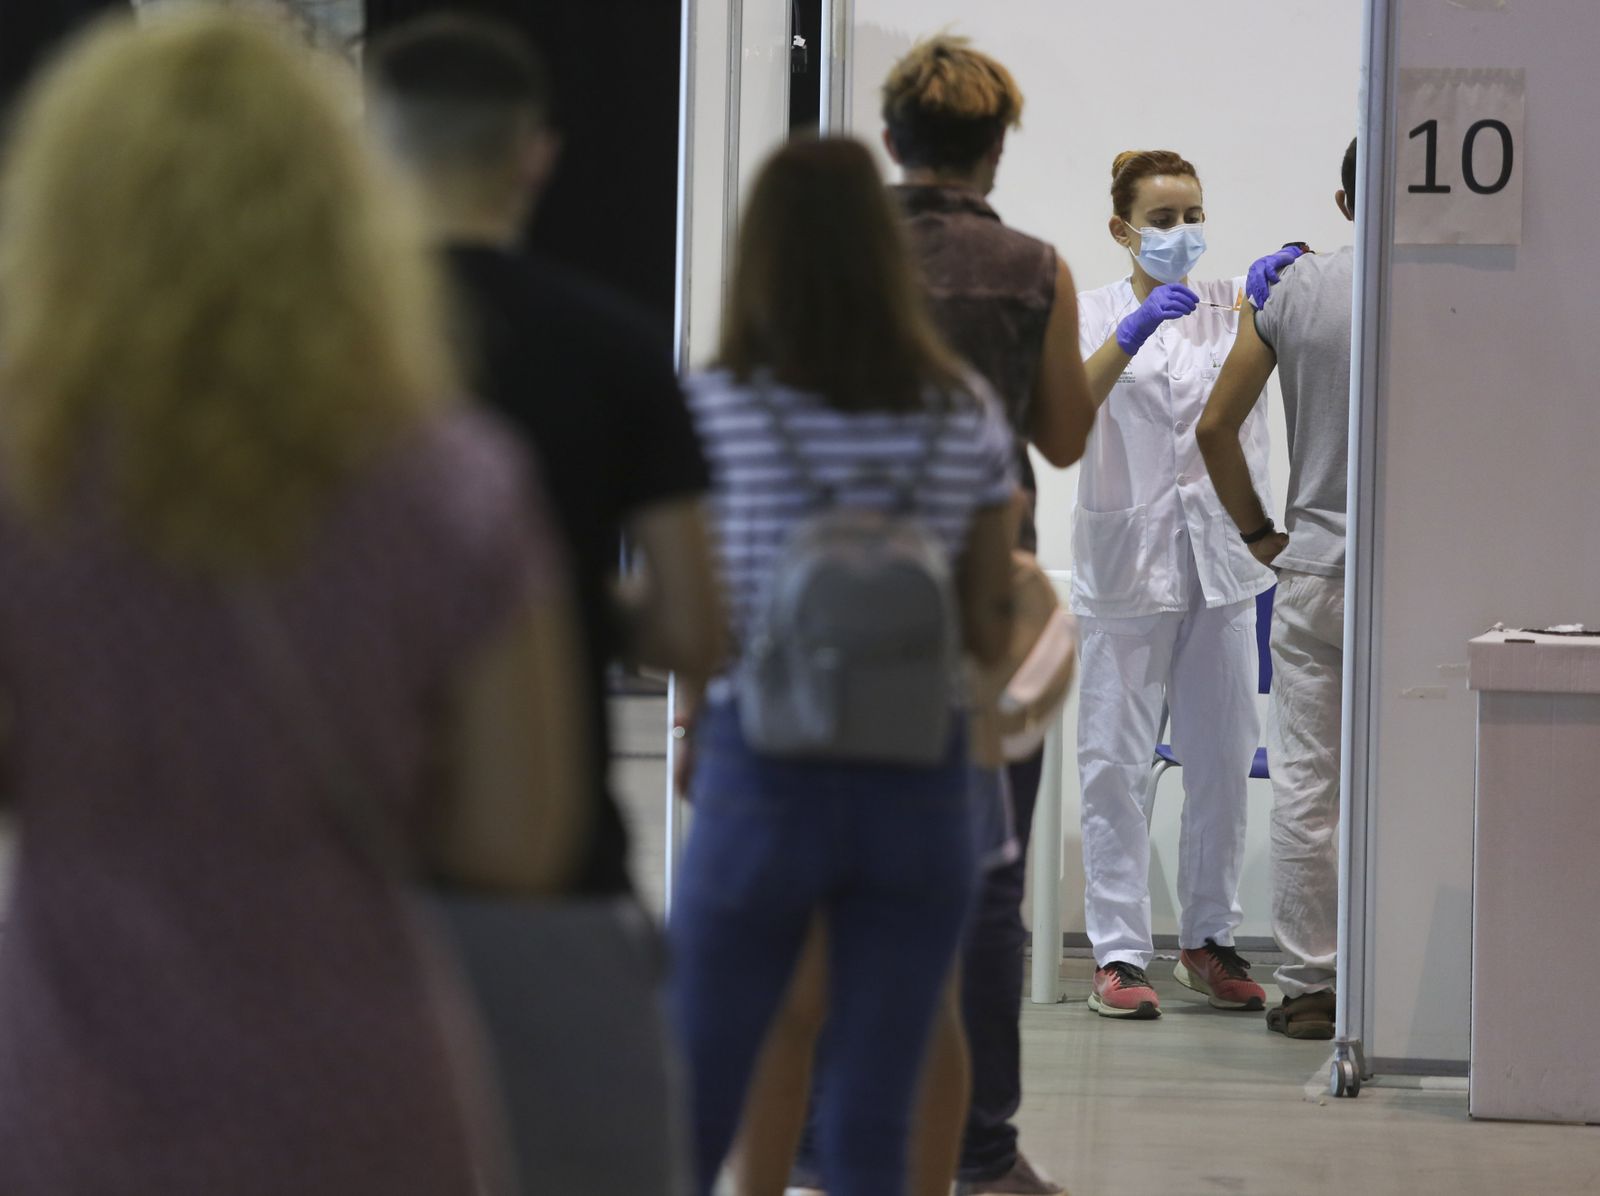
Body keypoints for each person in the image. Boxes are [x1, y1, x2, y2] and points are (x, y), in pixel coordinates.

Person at [0, 10, 588, 1194]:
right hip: (355, 1086)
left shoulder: (30, 473)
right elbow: (516, 839)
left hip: (76, 1085)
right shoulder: (450, 481)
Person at [368, 14, 724, 1190]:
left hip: (349, 871)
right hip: (558, 881)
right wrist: (567, 598)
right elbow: (690, 624)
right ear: (533, 154)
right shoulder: (616, 347)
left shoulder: (315, 347)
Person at [737, 38, 1092, 1196]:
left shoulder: (825, 257)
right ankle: (981, 1150)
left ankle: (804, 1139)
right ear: (996, 147)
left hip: (823, 603)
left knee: (820, 874)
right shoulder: (1033, 266)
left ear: (890, 139)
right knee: (980, 890)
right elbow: (1065, 435)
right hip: (981, 611)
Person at [670, 136, 1020, 1196]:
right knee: (878, 1091)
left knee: (697, 1068)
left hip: (761, 759)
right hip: (919, 773)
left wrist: (695, 723)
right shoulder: (959, 408)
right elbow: (989, 618)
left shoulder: (712, 403)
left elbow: (697, 617)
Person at [1073, 149, 1278, 1020]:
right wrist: (1130, 334)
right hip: (1128, 572)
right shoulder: (1089, 313)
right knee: (1114, 765)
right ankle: (1119, 954)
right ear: (1122, 229)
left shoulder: (1238, 306)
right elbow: (1062, 409)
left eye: (1192, 214)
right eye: (1161, 220)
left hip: (1221, 568)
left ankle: (1207, 939)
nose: (1181, 233)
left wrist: (1287, 285)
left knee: (1224, 760)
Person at [1197, 139, 1358, 1042]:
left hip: (1316, 575)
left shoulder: (1295, 291)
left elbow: (1216, 426)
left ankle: (1309, 986)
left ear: (1345, 200)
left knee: (1307, 786)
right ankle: (1431, 978)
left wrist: (1264, 535)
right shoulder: (1474, 285)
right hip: (1427, 583)